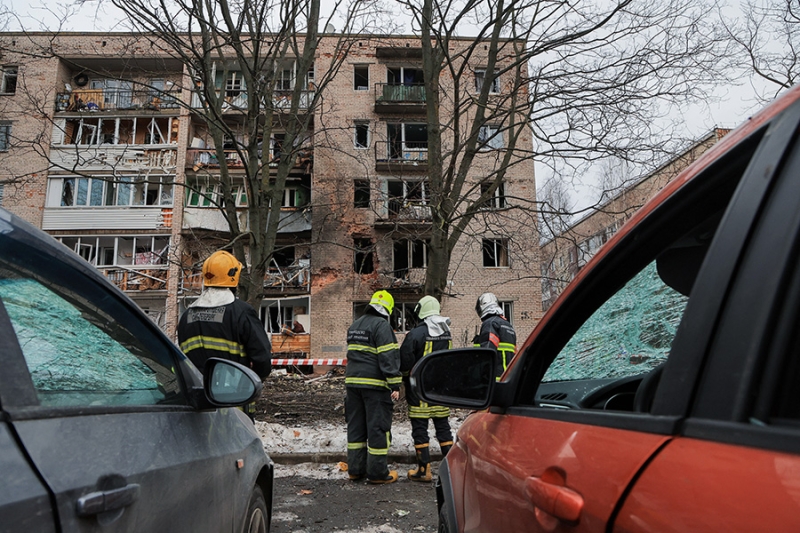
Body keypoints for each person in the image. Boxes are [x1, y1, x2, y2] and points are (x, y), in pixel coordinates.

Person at [177, 250, 272, 421]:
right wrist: (251, 384)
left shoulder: (186, 317)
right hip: (234, 409)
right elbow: (263, 359)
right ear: (233, 277)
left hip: (197, 408)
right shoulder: (241, 313)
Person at [344, 290, 402, 484]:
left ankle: (355, 470)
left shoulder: (355, 325)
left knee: (356, 427)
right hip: (375, 386)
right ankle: (377, 473)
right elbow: (388, 356)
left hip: (353, 384)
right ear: (388, 309)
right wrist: (394, 383)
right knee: (377, 427)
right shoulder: (381, 325)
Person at [399, 295, 454, 482]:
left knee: (420, 428)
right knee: (443, 427)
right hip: (440, 391)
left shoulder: (415, 334)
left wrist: (404, 378)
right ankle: (452, 469)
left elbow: (405, 362)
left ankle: (424, 470)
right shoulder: (446, 332)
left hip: (419, 391)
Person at [473, 292, 517, 380]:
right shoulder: (508, 326)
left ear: (482, 307)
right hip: (509, 378)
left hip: (494, 379)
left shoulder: (490, 323)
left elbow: (487, 351)